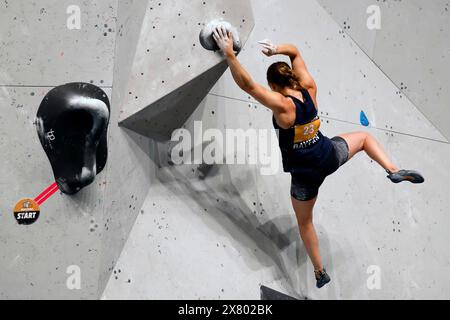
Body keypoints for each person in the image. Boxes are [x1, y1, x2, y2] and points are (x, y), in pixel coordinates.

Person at [213, 27, 424, 288]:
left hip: (305, 177)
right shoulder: (308, 89)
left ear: (275, 87)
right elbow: (296, 52)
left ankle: (319, 271)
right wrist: (276, 49)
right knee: (365, 139)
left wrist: (229, 55)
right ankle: (392, 169)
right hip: (329, 156)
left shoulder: (283, 106)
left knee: (305, 222)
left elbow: (247, 85)